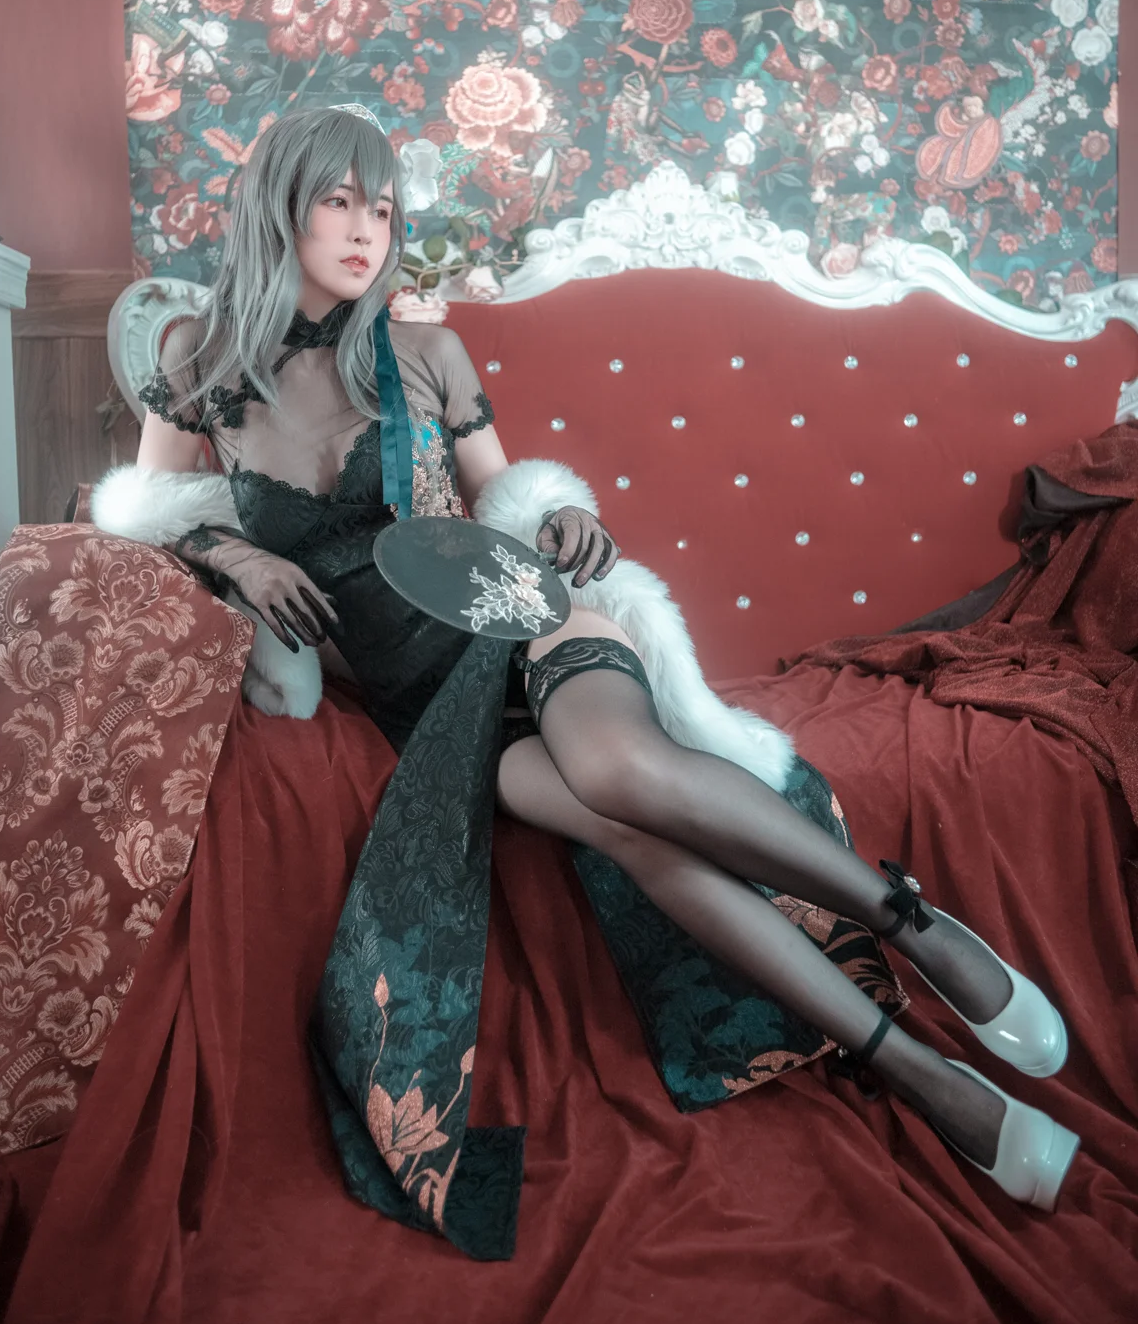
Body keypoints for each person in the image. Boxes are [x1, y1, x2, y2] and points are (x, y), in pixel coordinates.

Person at [98, 104, 1078, 1251]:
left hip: (525, 626)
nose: (367, 231)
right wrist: (240, 555)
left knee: (618, 770)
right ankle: (916, 1069)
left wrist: (564, 520)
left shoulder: (422, 354)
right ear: (282, 206)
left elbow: (509, 498)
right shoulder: (196, 360)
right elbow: (146, 513)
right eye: (340, 201)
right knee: (630, 833)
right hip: (429, 705)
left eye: (385, 210)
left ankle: (908, 922)